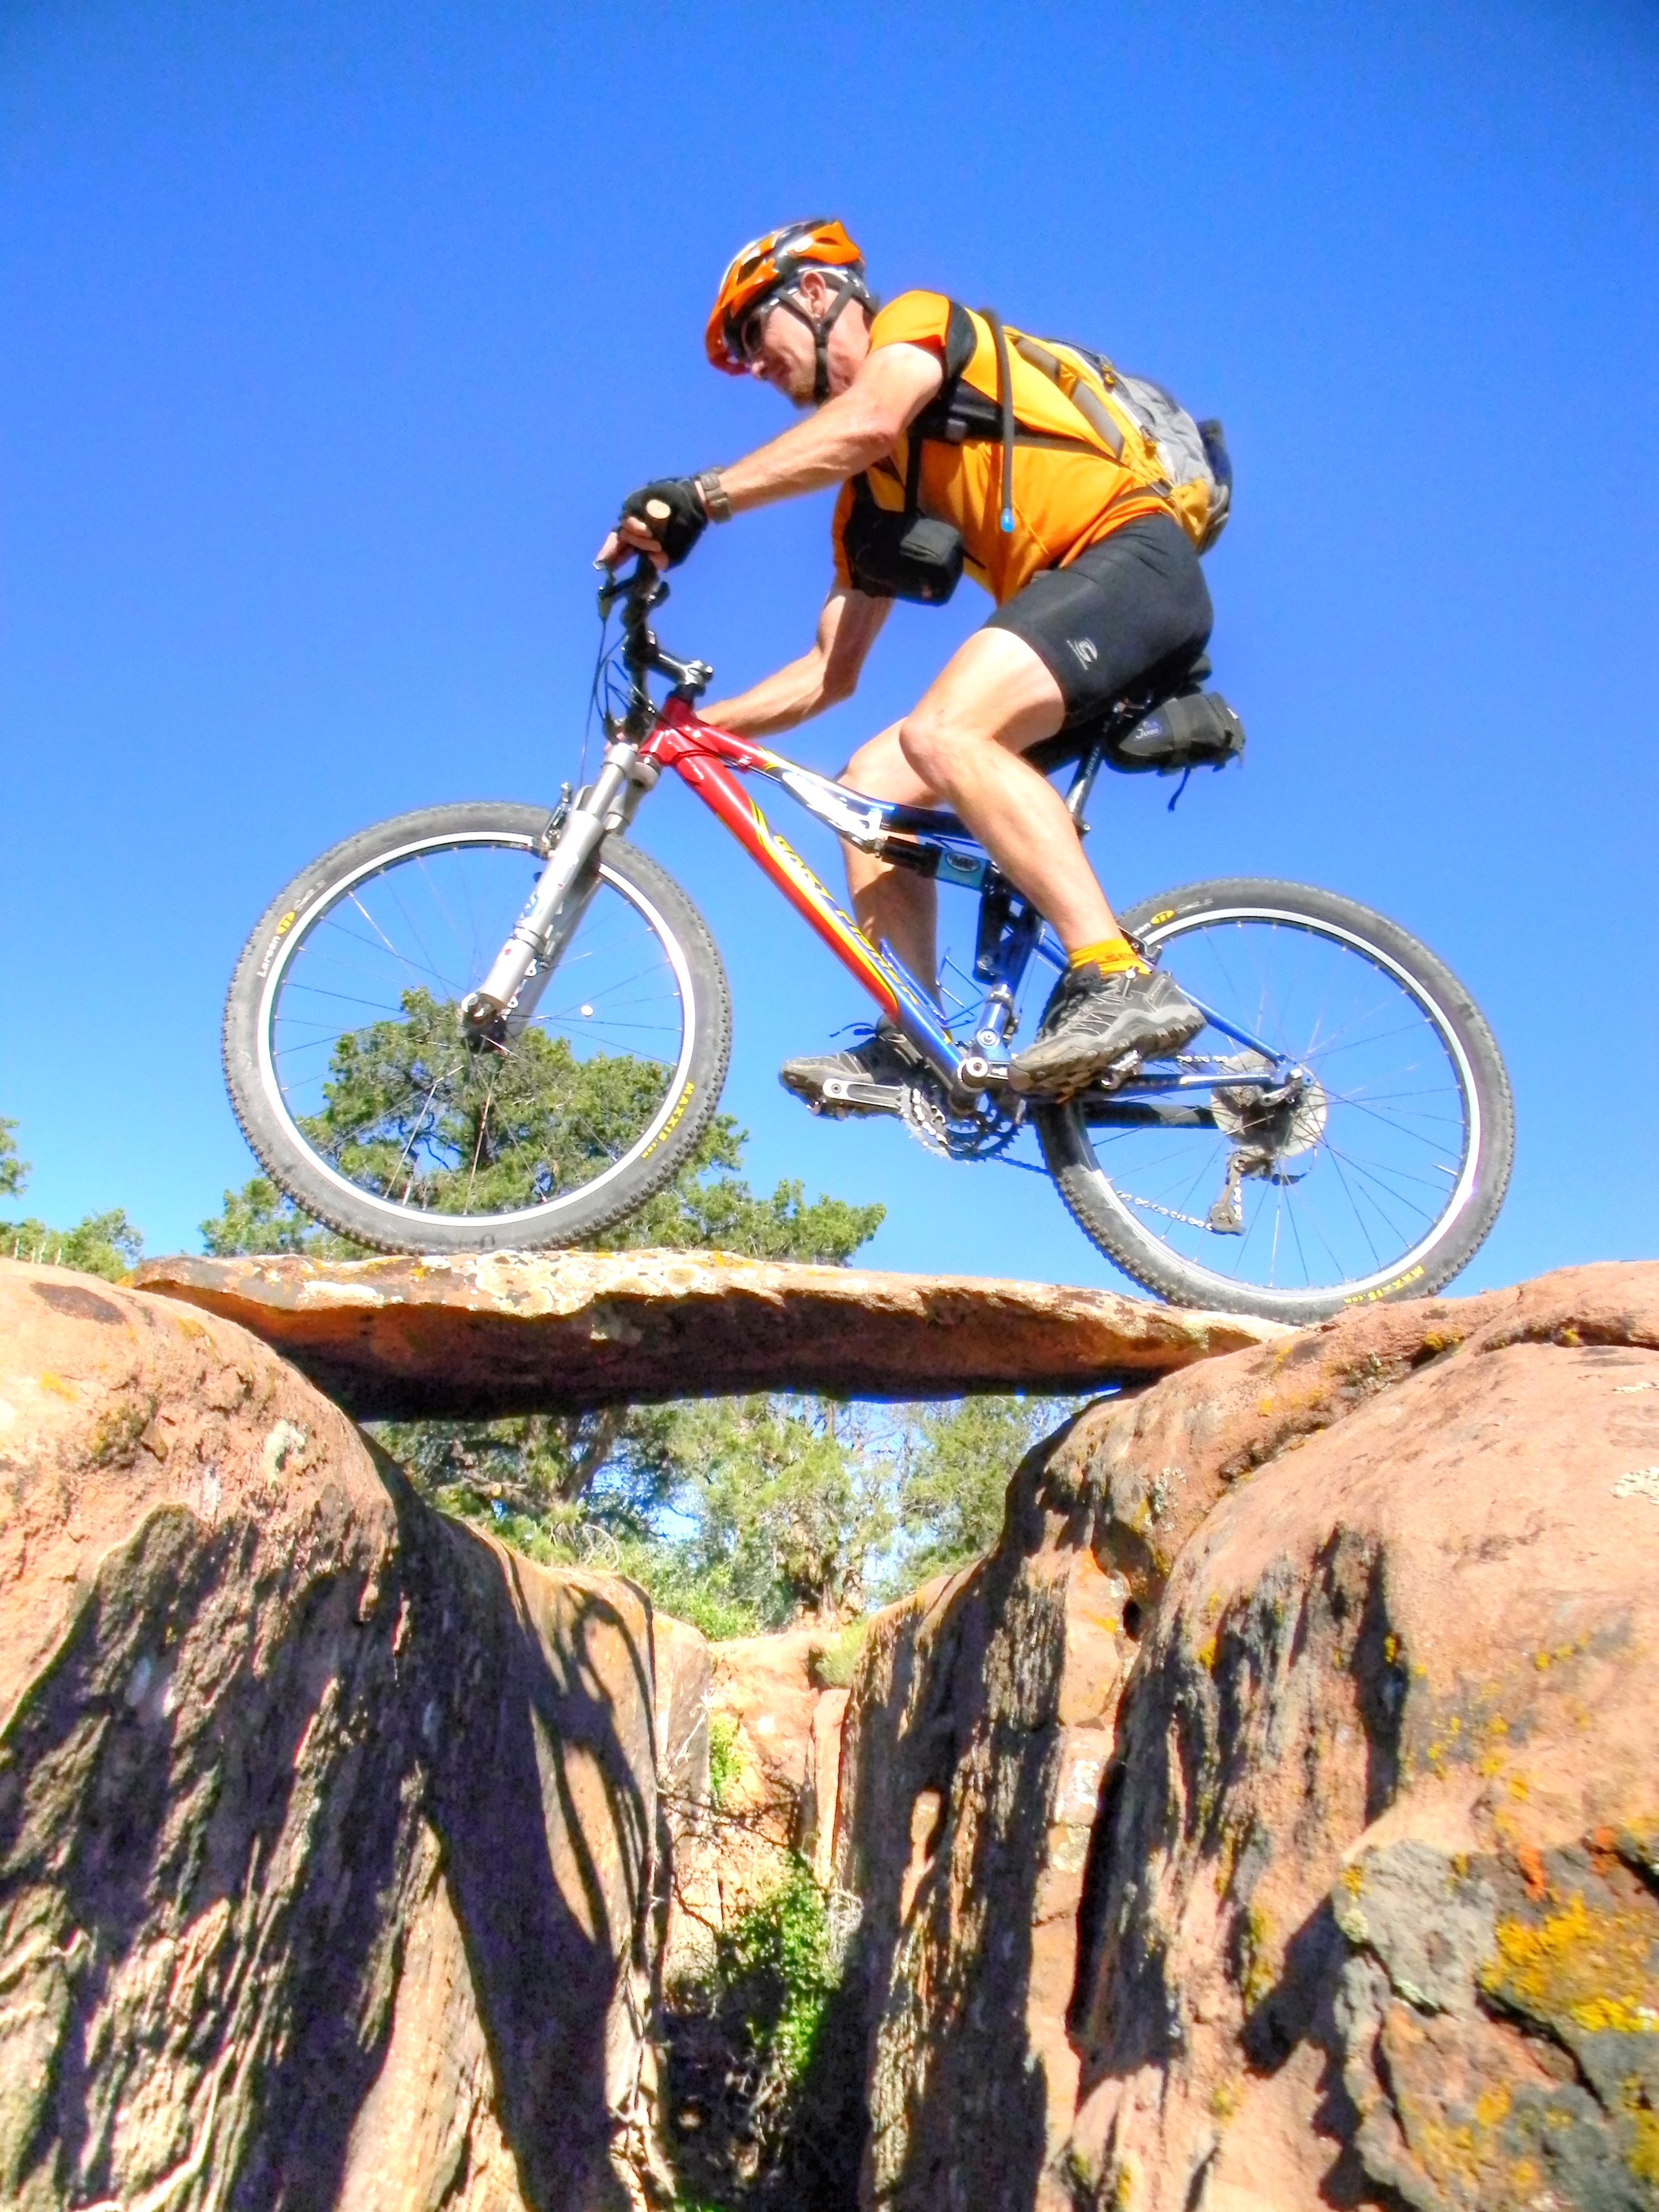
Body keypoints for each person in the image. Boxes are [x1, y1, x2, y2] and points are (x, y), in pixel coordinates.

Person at [594, 218, 1212, 1102]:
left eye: (751, 333)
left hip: (1133, 560)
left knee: (941, 731)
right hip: (1071, 611)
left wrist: (701, 498)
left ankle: (1119, 976)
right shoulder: (872, 496)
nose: (752, 367)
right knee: (871, 782)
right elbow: (827, 673)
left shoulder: (916, 326)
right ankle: (917, 1035)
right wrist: (684, 731)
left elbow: (872, 417)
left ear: (815, 293)